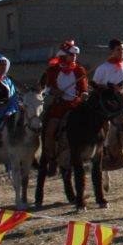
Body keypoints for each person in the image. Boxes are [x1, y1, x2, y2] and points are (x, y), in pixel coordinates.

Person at [41, 41, 88, 174]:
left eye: (75, 55)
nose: (74, 57)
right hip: (59, 106)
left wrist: (84, 94)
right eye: (71, 54)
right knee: (50, 131)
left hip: (75, 105)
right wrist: (55, 91)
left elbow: (84, 89)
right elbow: (46, 89)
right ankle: (52, 159)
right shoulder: (52, 70)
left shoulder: (80, 70)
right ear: (64, 55)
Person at [94, 40, 123, 169]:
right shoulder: (102, 68)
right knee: (109, 125)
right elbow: (96, 86)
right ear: (111, 51)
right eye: (118, 49)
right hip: (109, 102)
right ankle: (108, 151)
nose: (122, 52)